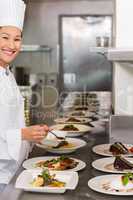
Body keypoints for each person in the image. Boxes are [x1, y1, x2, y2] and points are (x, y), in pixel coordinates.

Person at [0, 0, 49, 192]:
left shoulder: (6, 73)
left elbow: (8, 122)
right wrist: (23, 134)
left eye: (17, 39)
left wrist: (31, 133)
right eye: (5, 37)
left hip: (12, 171)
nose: (11, 45)